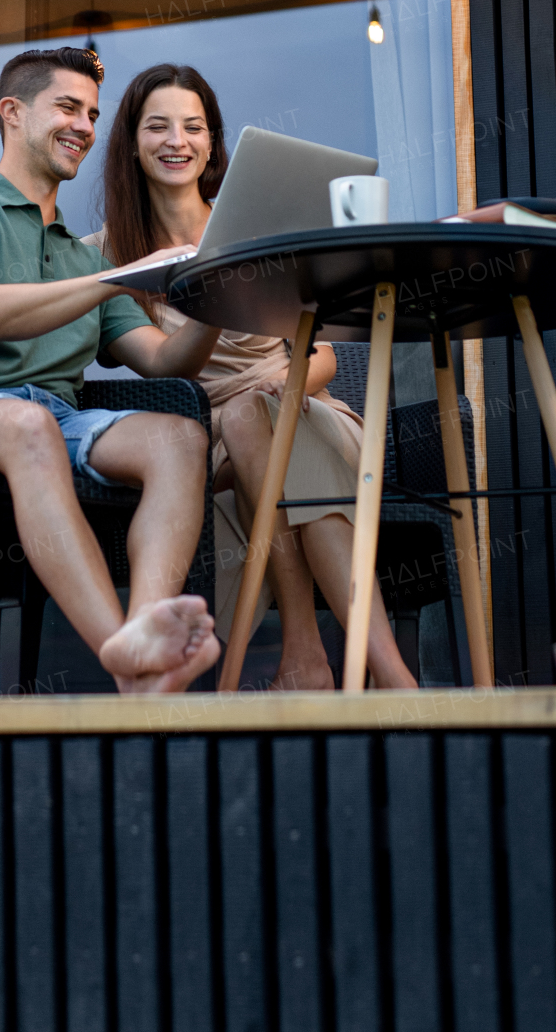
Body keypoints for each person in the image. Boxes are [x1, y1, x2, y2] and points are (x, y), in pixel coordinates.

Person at [0, 45, 221, 696]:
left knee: (180, 437)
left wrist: (216, 298)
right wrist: (115, 280)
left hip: (60, 417)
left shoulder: (82, 262)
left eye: (92, 113)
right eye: (67, 107)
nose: (85, 125)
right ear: (12, 112)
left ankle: (144, 631)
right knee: (29, 424)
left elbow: (166, 361)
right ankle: (124, 661)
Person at [92, 62, 417, 692]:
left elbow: (318, 355)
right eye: (157, 126)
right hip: (206, 437)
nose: (176, 142)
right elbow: (160, 359)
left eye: (192, 127)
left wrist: (288, 388)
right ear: (132, 141)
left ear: (213, 141)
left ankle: (310, 656)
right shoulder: (108, 254)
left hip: (301, 409)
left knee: (260, 423)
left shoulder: (256, 225)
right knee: (242, 422)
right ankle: (385, 672)